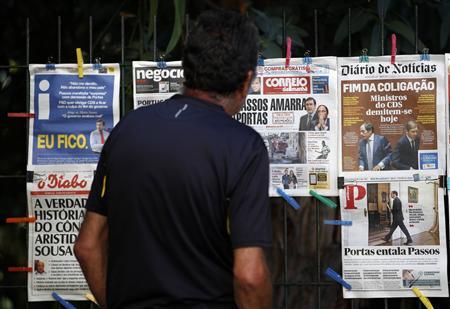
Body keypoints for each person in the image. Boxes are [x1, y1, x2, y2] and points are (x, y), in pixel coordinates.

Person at [75, 10, 272, 309]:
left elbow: (87, 246)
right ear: (246, 81)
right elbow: (250, 275)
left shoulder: (127, 131)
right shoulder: (244, 147)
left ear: (187, 68)